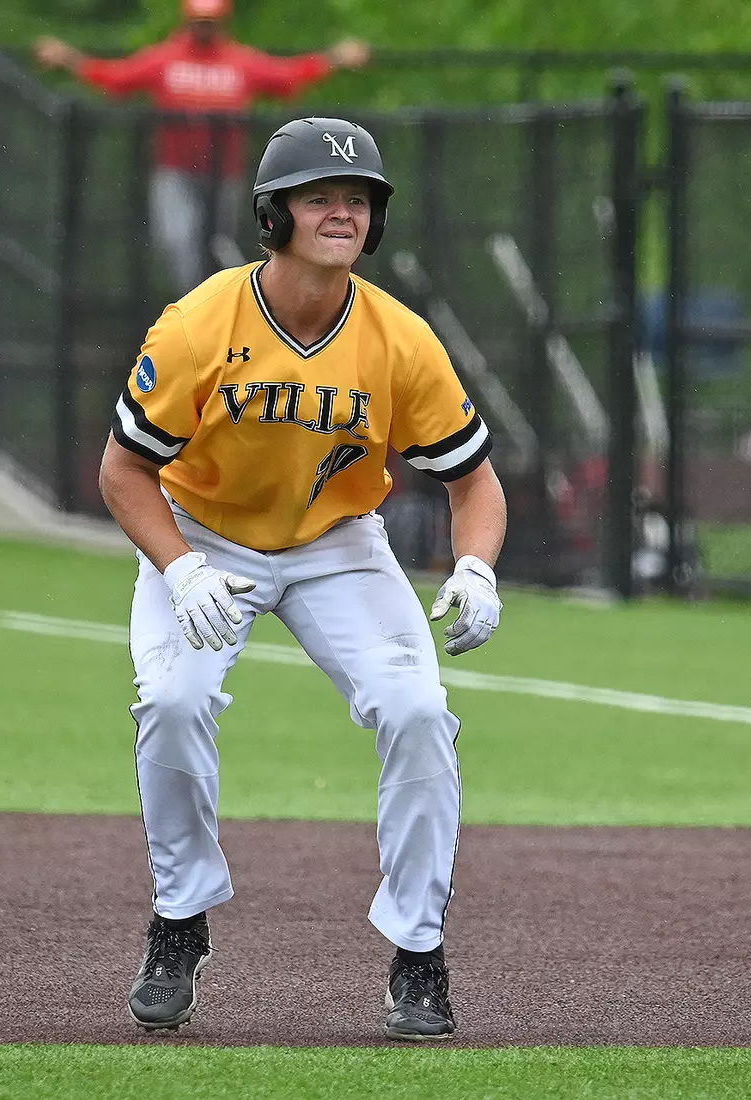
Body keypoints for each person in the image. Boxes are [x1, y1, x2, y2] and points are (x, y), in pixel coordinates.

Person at [98, 117, 507, 1041]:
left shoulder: (399, 338)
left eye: (358, 199)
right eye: (320, 195)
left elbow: (473, 479)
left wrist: (476, 566)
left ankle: (419, 951)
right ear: (273, 213)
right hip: (203, 536)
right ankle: (178, 919)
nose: (342, 212)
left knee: (415, 711)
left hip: (335, 543)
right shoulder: (202, 322)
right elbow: (123, 469)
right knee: (172, 700)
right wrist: (180, 562)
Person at [34, 0, 370, 293]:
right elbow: (117, 79)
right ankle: (195, 304)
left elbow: (286, 78)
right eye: (199, 21)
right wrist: (69, 59)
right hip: (175, 171)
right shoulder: (167, 58)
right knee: (176, 241)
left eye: (210, 22)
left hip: (223, 173)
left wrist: (334, 60)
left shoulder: (239, 61)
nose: (204, 28)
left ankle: (223, 306)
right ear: (188, 20)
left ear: (221, 22)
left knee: (218, 246)